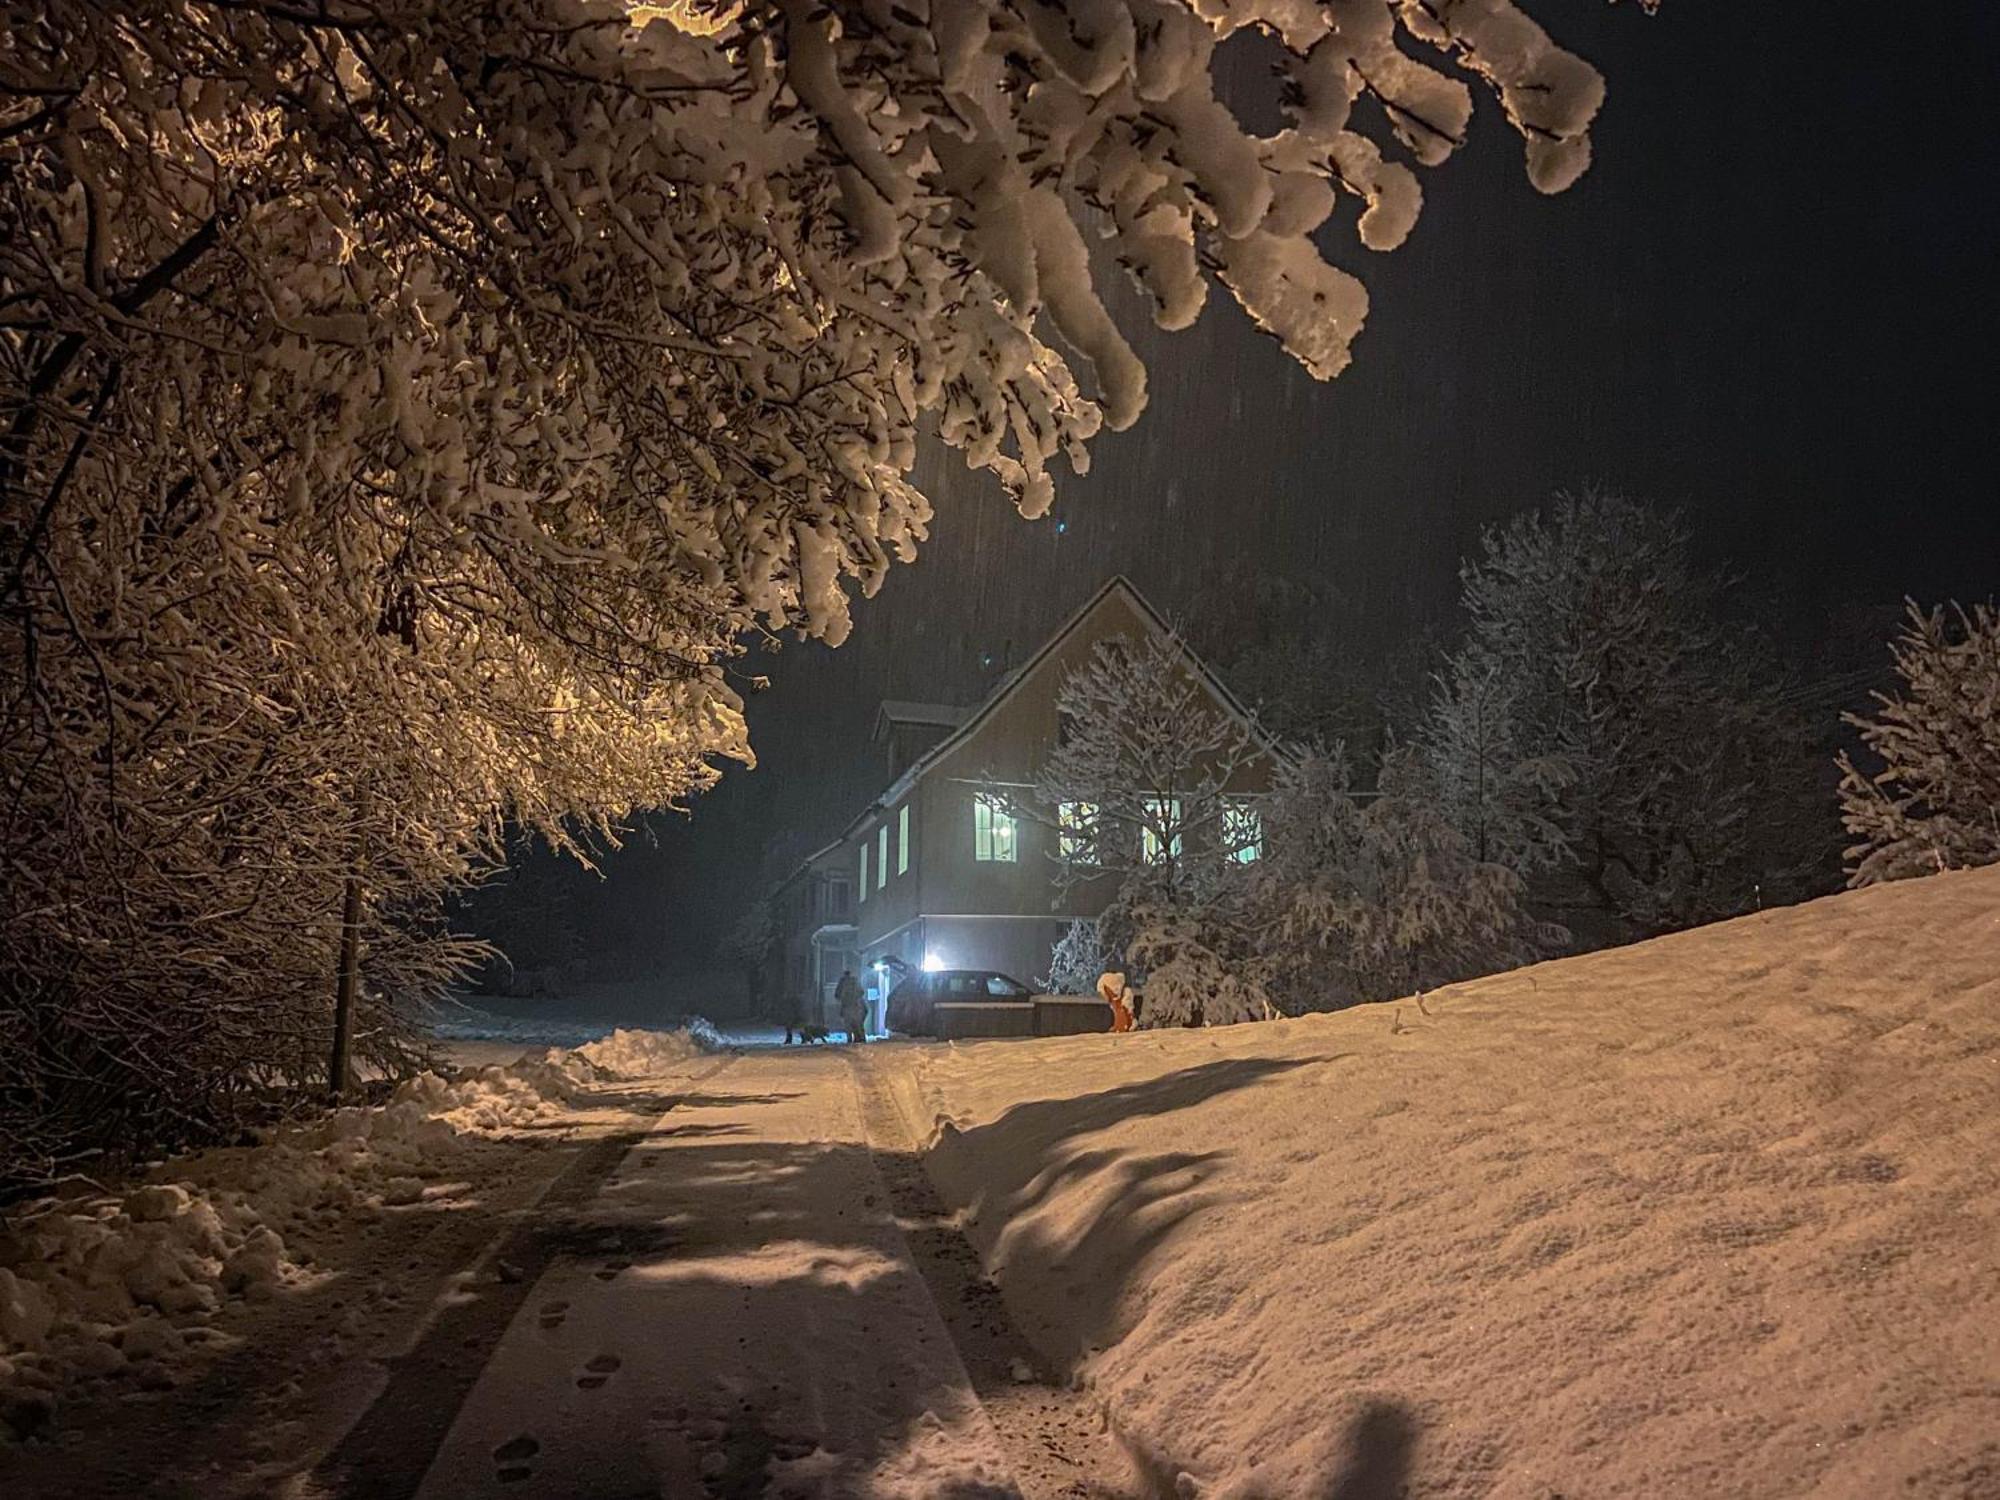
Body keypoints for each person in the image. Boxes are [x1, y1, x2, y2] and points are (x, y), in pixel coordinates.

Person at [835, 969, 866, 1043]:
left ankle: (850, 1039)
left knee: (848, 1024)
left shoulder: (842, 982)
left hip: (847, 1006)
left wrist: (843, 999)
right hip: (857, 1006)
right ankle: (860, 1038)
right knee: (858, 1024)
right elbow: (862, 992)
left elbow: (837, 995)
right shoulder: (855, 981)